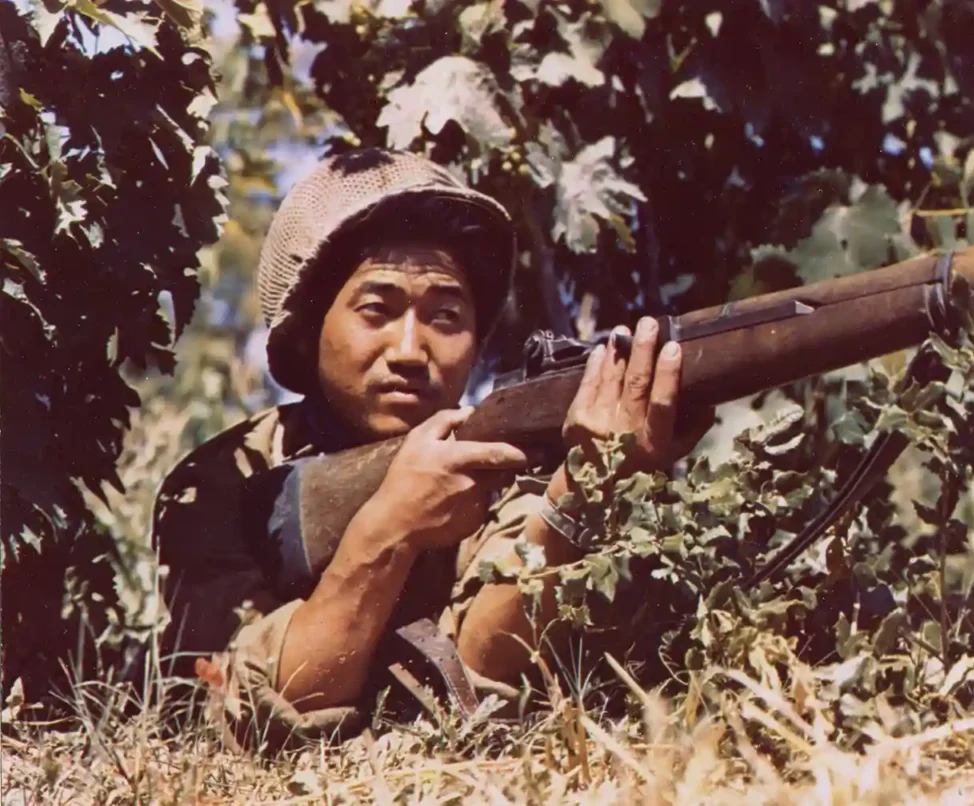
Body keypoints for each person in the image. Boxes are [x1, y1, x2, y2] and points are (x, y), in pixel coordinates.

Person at [151, 147, 711, 751]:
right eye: (377, 310)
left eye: (446, 316)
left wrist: (582, 491)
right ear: (311, 328)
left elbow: (479, 693)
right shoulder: (226, 485)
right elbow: (259, 717)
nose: (411, 350)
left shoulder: (514, 459)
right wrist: (388, 530)